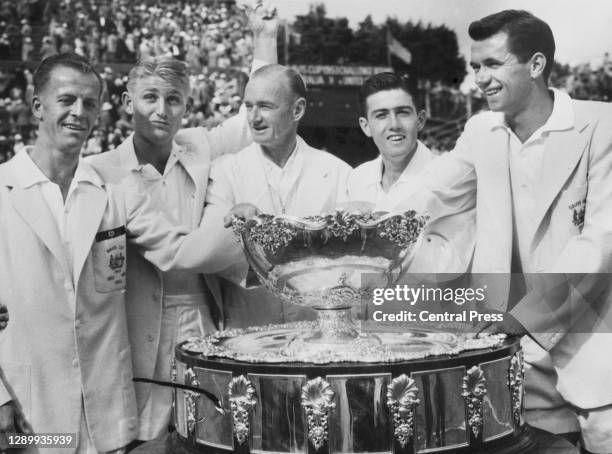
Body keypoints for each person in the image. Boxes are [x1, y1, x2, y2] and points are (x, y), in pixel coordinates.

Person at [0, 53, 241, 453]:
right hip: (30, 415)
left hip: (106, 418)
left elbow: (180, 250)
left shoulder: (114, 189)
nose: (79, 113)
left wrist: (237, 222)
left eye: (90, 103)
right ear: (37, 106)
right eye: (66, 100)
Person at [419, 10, 612, 452]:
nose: (479, 79)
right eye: (474, 68)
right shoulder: (481, 130)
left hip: (599, 363)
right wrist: (358, 222)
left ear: (537, 65)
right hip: (518, 366)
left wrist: (519, 322)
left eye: (492, 64)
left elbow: (600, 245)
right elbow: (430, 189)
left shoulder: (603, 124)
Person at [87, 3, 278, 442]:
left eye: (174, 100)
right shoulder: (100, 171)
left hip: (201, 313)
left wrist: (263, 39)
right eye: (150, 97)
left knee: (210, 430)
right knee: (146, 435)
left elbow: (245, 126)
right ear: (126, 101)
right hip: (133, 326)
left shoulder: (195, 146)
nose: (162, 110)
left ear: (186, 105)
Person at [203, 64, 352, 328]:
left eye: (265, 106)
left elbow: (350, 262)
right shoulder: (225, 171)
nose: (254, 118)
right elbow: (215, 257)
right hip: (250, 332)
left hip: (322, 333)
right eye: (248, 106)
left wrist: (257, 240)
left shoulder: (338, 173)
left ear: (298, 109)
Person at [347, 72, 475, 274]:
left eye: (403, 112)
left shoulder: (449, 179)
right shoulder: (357, 177)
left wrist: (373, 226)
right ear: (366, 126)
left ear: (421, 120)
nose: (394, 125)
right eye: (381, 115)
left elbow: (448, 266)